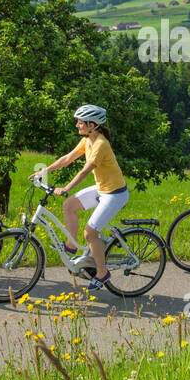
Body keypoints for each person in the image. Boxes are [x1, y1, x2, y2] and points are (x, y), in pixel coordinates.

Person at [36, 105, 128, 291]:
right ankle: (71, 246)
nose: (77, 125)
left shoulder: (101, 144)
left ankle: (102, 273)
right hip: (102, 189)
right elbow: (68, 158)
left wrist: (66, 188)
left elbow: (86, 171)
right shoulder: (87, 140)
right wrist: (45, 170)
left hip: (115, 194)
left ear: (92, 125)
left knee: (90, 233)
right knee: (69, 206)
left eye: (80, 122)